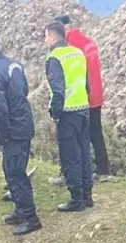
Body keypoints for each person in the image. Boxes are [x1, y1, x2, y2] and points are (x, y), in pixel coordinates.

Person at [0, 35, 41, 236]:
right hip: (25, 122)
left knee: (15, 174)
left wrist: (2, 132)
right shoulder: (15, 65)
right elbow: (24, 90)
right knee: (13, 170)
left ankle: (30, 217)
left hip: (13, 129)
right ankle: (20, 210)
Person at [45, 20, 94, 212]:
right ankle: (87, 195)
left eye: (46, 36)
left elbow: (57, 91)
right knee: (84, 153)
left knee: (70, 156)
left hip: (67, 112)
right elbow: (86, 83)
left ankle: (76, 198)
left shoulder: (54, 57)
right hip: (84, 108)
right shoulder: (78, 52)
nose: (45, 41)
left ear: (53, 36)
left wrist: (55, 113)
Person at [60, 14, 109, 178]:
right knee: (96, 133)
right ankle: (103, 168)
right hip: (97, 94)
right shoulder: (89, 42)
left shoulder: (72, 47)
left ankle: (78, 170)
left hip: (82, 97)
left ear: (65, 29)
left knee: (78, 136)